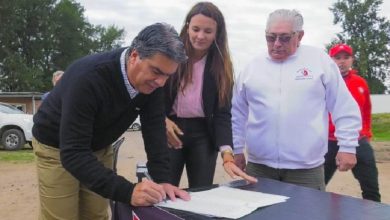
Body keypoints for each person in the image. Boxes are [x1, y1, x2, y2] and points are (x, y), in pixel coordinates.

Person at [32, 23, 190, 220]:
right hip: (56, 145)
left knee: (96, 215)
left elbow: (155, 129)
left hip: (98, 145)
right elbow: (73, 153)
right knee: (61, 216)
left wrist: (163, 180)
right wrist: (128, 192)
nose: (161, 82)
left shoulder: (154, 84)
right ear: (134, 56)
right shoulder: (88, 78)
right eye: (156, 71)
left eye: (168, 75)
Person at [232, 9, 362, 190]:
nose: (276, 44)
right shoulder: (251, 68)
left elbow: (343, 106)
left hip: (306, 170)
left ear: (300, 36)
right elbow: (237, 112)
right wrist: (237, 149)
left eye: (284, 38)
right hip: (259, 168)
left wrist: (348, 146)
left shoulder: (320, 62)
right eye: (270, 37)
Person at [164, 2, 257, 188]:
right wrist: (161, 120)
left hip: (203, 135)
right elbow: (152, 93)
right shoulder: (170, 55)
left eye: (208, 31)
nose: (200, 36)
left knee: (202, 190)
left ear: (217, 33)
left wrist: (227, 154)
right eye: (196, 29)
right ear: (187, 26)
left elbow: (222, 113)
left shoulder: (221, 65)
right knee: (164, 188)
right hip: (170, 128)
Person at [325, 43, 381, 202]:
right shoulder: (323, 82)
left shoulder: (360, 83)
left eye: (346, 57)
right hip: (328, 141)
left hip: (358, 141)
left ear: (352, 60)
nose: (342, 62)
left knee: (371, 187)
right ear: (330, 60)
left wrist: (366, 133)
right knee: (316, 185)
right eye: (337, 58)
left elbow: (366, 111)